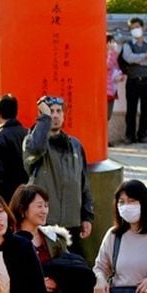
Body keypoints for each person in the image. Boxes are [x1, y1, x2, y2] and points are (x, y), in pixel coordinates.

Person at [24, 96, 94, 244]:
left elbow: (84, 184)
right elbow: (36, 148)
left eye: (58, 111)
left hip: (72, 223)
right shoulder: (33, 142)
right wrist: (45, 120)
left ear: (63, 115)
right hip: (46, 223)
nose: (55, 115)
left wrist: (87, 217)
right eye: (50, 112)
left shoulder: (75, 145)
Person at [121, 17, 147, 144]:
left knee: (146, 109)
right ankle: (130, 136)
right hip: (132, 80)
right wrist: (144, 56)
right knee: (131, 110)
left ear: (142, 27)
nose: (135, 30)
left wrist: (138, 59)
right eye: (132, 28)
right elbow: (128, 58)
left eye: (137, 27)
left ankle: (143, 135)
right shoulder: (127, 44)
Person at [108, 34, 128, 127]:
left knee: (108, 115)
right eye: (111, 42)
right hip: (103, 90)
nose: (114, 44)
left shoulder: (115, 55)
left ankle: (106, 139)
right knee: (104, 115)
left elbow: (118, 68)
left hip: (112, 89)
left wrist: (120, 75)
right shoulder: (100, 54)